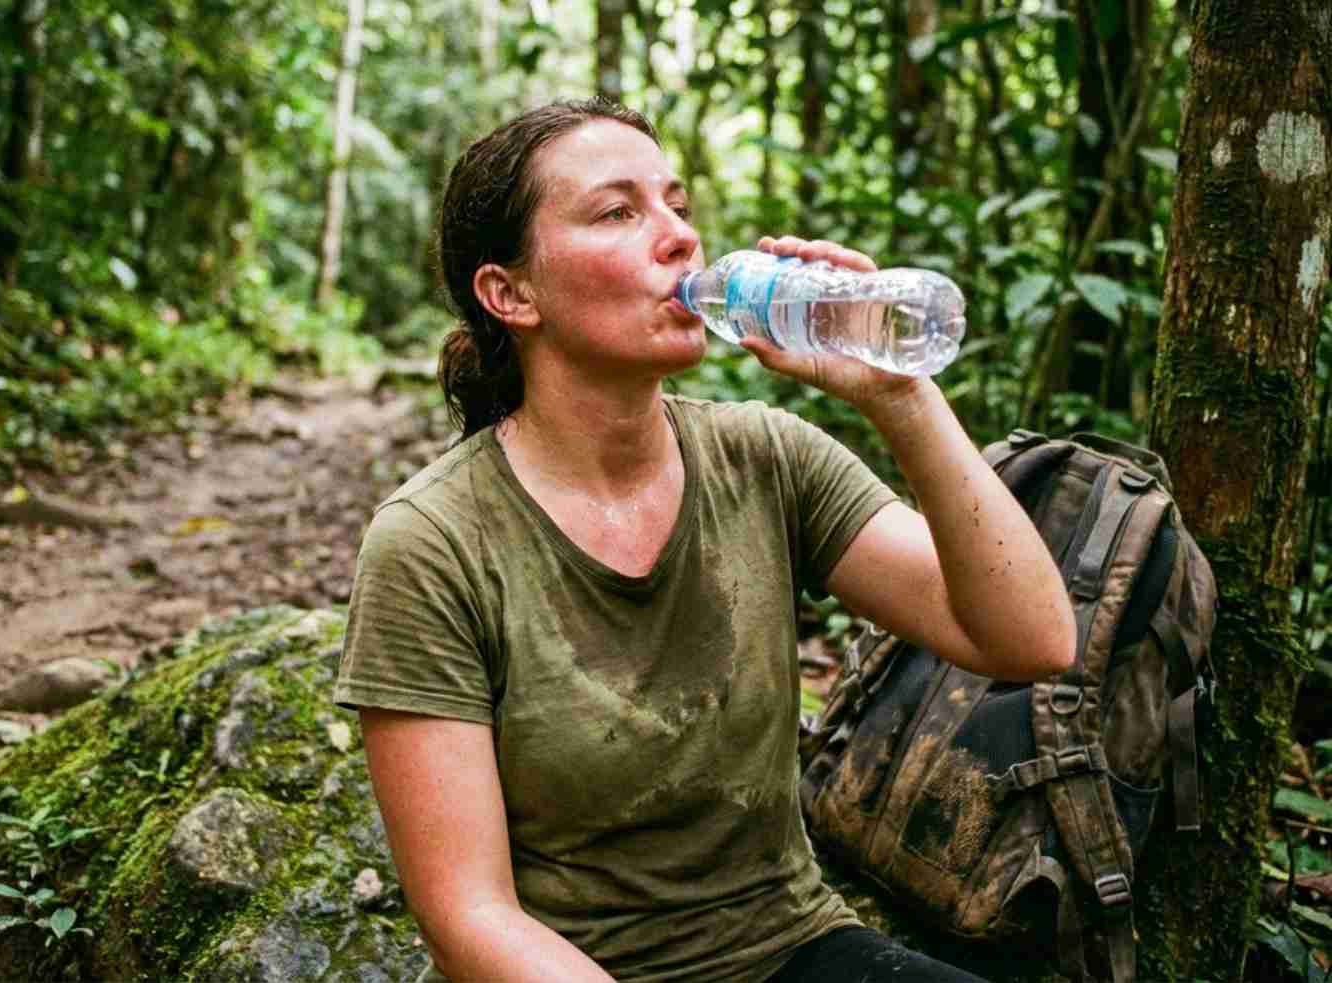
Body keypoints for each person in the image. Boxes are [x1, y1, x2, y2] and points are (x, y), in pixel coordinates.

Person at [334, 97, 1076, 983]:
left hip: (787, 946)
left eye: (677, 205)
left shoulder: (763, 454)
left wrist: (900, 393)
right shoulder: (433, 542)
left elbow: (1031, 636)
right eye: (618, 212)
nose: (681, 237)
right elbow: (468, 914)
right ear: (511, 294)